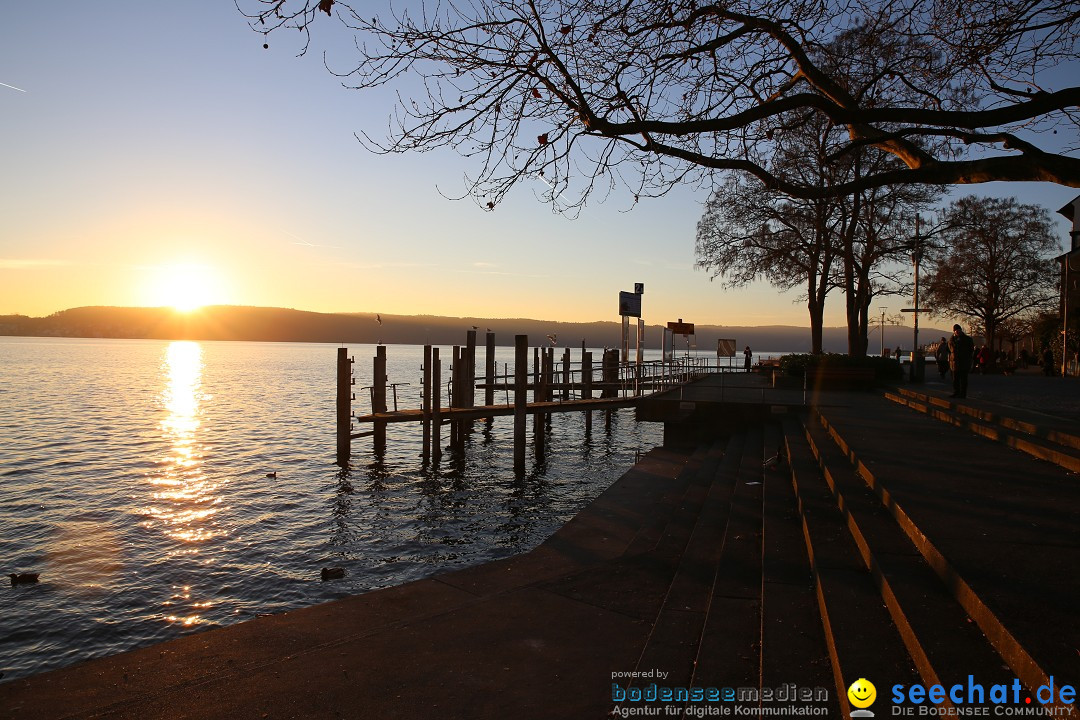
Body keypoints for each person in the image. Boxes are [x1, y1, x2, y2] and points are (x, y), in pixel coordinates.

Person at [948, 324, 975, 398]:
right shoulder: (951, 340)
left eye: (958, 330)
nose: (957, 332)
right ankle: (956, 392)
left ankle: (963, 394)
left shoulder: (967, 339)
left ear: (960, 330)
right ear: (954, 331)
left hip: (964, 362)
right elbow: (950, 351)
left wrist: (967, 357)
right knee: (955, 379)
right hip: (954, 362)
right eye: (956, 330)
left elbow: (971, 350)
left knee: (963, 379)